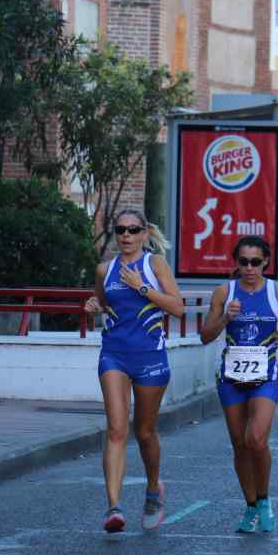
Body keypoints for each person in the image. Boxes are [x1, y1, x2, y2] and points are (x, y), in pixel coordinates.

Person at [199, 236, 278, 534]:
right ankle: (250, 505)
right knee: (239, 444)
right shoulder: (225, 292)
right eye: (243, 261)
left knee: (256, 440)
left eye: (256, 262)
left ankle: (264, 500)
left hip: (264, 377)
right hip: (231, 379)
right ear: (236, 263)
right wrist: (225, 317)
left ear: (265, 263)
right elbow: (205, 335)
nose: (249, 268)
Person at [84, 209, 185, 533]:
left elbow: (178, 308)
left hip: (150, 356)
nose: (126, 236)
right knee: (116, 429)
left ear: (144, 234)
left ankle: (154, 488)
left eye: (132, 230)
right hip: (114, 354)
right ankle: (113, 507)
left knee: (145, 432)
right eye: (120, 230)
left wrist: (142, 288)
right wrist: (93, 306)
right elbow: (102, 302)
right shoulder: (105, 269)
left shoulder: (155, 265)